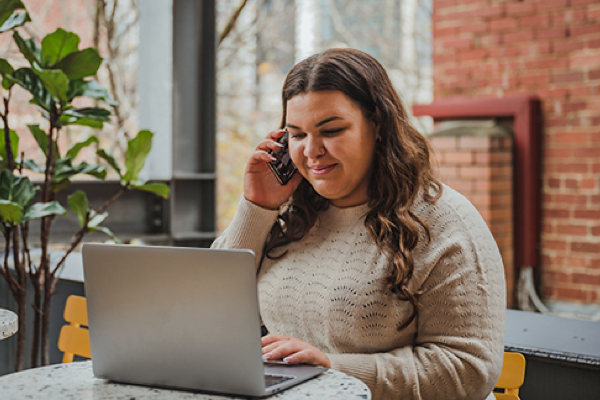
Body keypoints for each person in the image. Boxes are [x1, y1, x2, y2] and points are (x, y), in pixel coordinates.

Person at [212, 48, 505, 400]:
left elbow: (469, 371)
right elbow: (213, 306)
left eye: (331, 130)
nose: (311, 151)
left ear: (378, 124)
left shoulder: (445, 222)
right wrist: (256, 206)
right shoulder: (295, 215)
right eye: (297, 134)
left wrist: (334, 370)